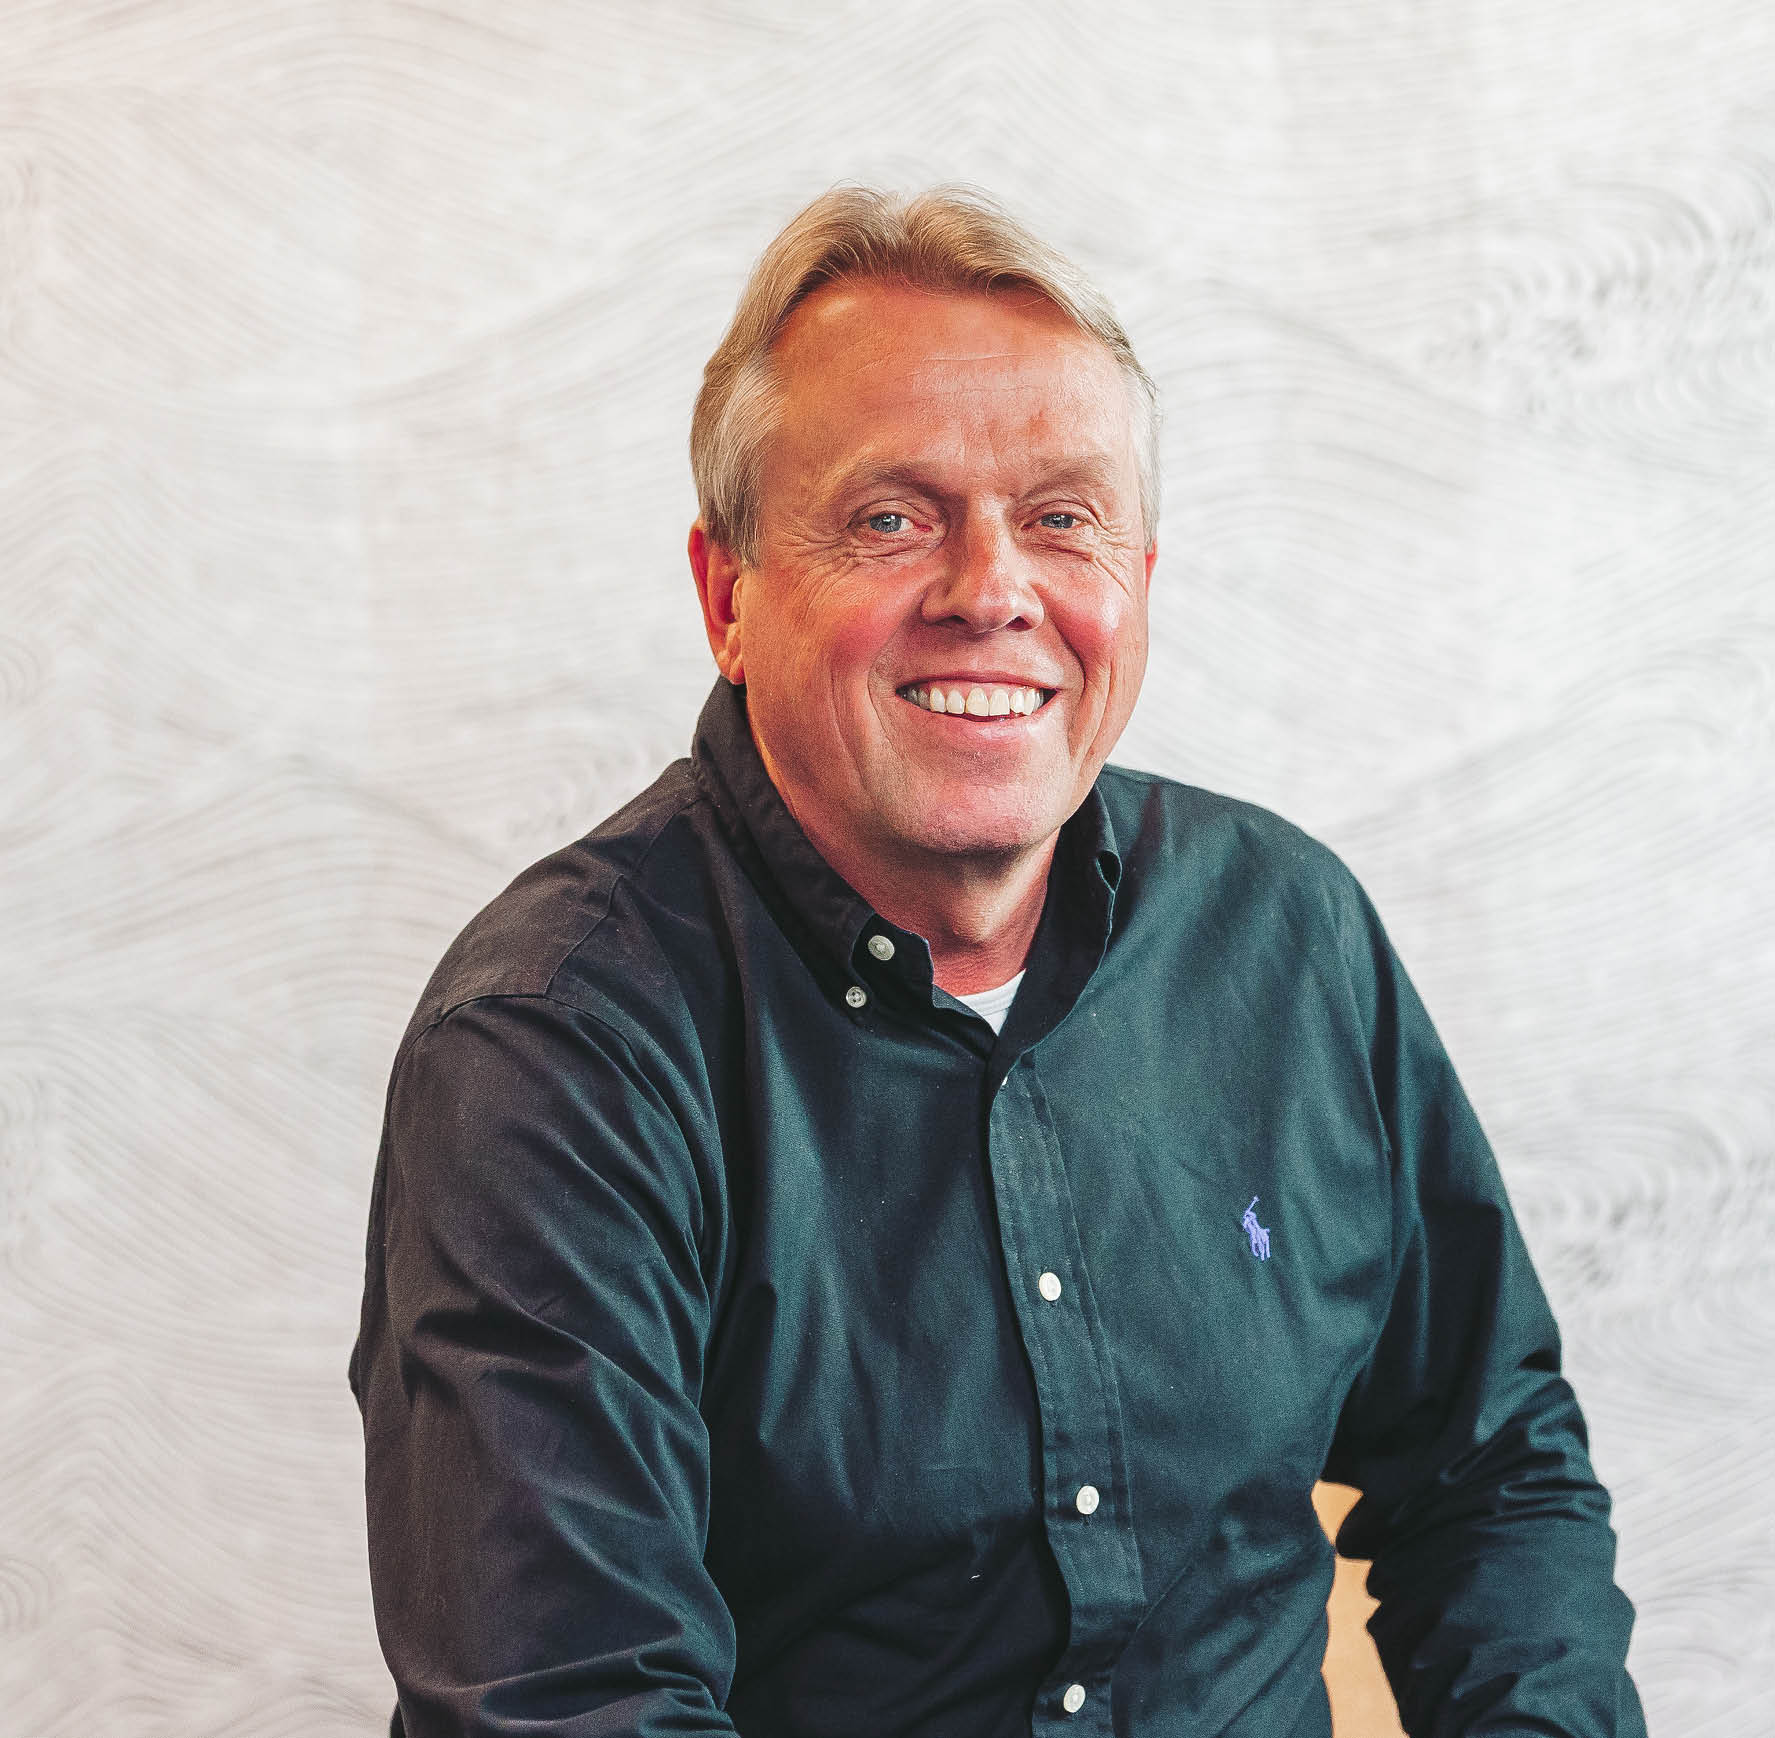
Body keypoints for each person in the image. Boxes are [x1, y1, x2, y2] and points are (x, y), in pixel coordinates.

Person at [350, 185, 1646, 1738]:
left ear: (1140, 581)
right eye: (891, 518)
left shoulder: (1288, 937)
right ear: (727, 597)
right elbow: (574, 1705)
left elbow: (1493, 1469)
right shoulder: (553, 1047)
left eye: (1061, 516)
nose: (990, 590)